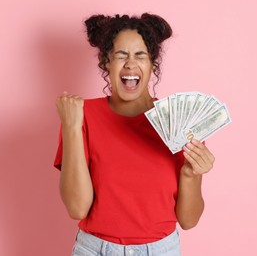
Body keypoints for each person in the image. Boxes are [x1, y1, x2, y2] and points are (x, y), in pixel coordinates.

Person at [54, 13, 215, 256]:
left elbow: (189, 220)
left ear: (153, 64)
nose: (130, 63)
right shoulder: (80, 115)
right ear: (106, 62)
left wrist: (190, 174)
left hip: (161, 250)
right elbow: (77, 208)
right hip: (94, 249)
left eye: (140, 55)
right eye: (121, 55)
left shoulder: (181, 122)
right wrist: (71, 127)